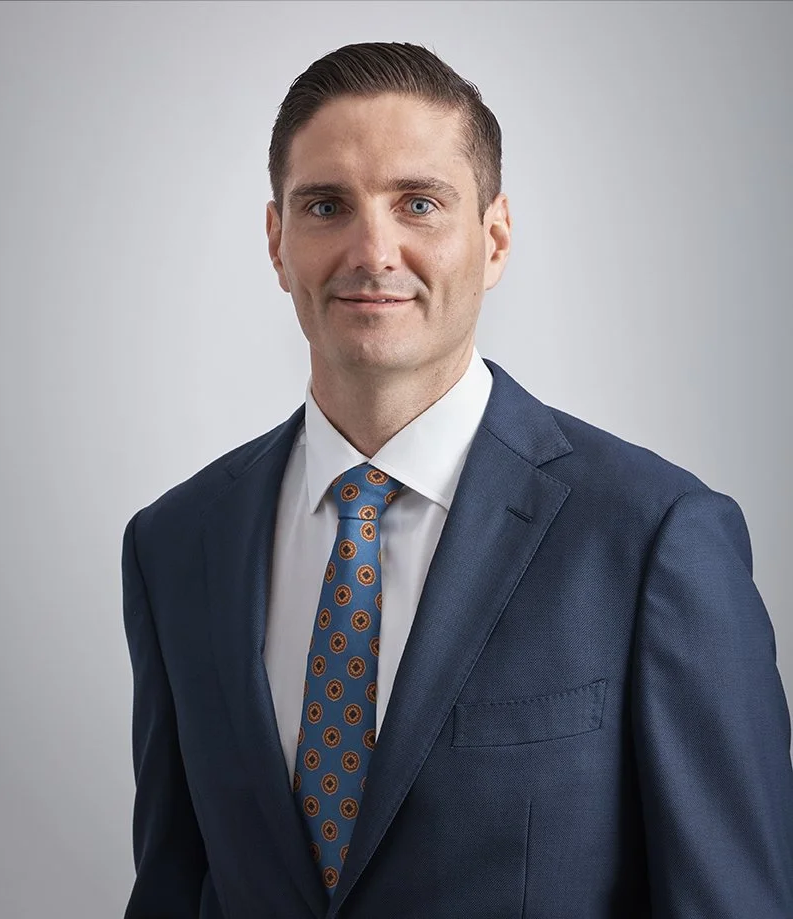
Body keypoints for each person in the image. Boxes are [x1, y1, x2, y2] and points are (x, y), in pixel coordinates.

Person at [121, 41, 793, 919]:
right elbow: (175, 888)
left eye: (420, 203)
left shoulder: (654, 536)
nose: (373, 250)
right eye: (327, 205)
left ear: (495, 237)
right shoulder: (176, 543)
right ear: (278, 242)